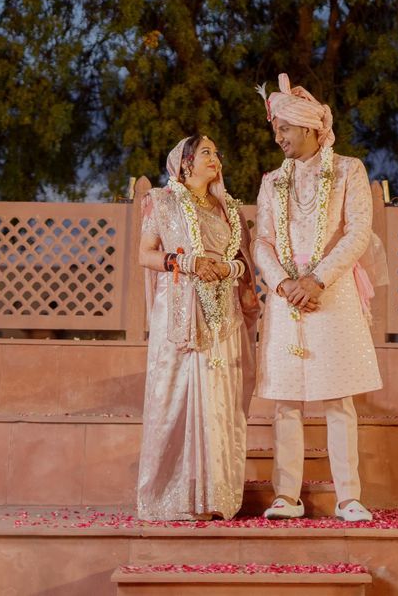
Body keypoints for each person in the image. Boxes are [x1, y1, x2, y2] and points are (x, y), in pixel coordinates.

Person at [253, 73, 383, 523]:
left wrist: (317, 280)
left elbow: (358, 232)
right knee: (286, 401)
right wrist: (284, 284)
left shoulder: (349, 170)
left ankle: (349, 496)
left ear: (310, 128)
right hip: (286, 299)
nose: (279, 137)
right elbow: (262, 241)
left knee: (337, 399)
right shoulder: (272, 182)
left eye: (285, 129)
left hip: (332, 295)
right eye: (276, 130)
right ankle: (286, 496)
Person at [137, 134, 259, 521]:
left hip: (224, 315)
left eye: (217, 152)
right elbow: (145, 255)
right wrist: (185, 263)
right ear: (185, 162)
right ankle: (173, 497)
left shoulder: (229, 210)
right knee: (178, 396)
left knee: (220, 400)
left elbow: (243, 264)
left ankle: (215, 497)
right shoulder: (162, 201)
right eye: (206, 152)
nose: (215, 158)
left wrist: (229, 268)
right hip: (179, 312)